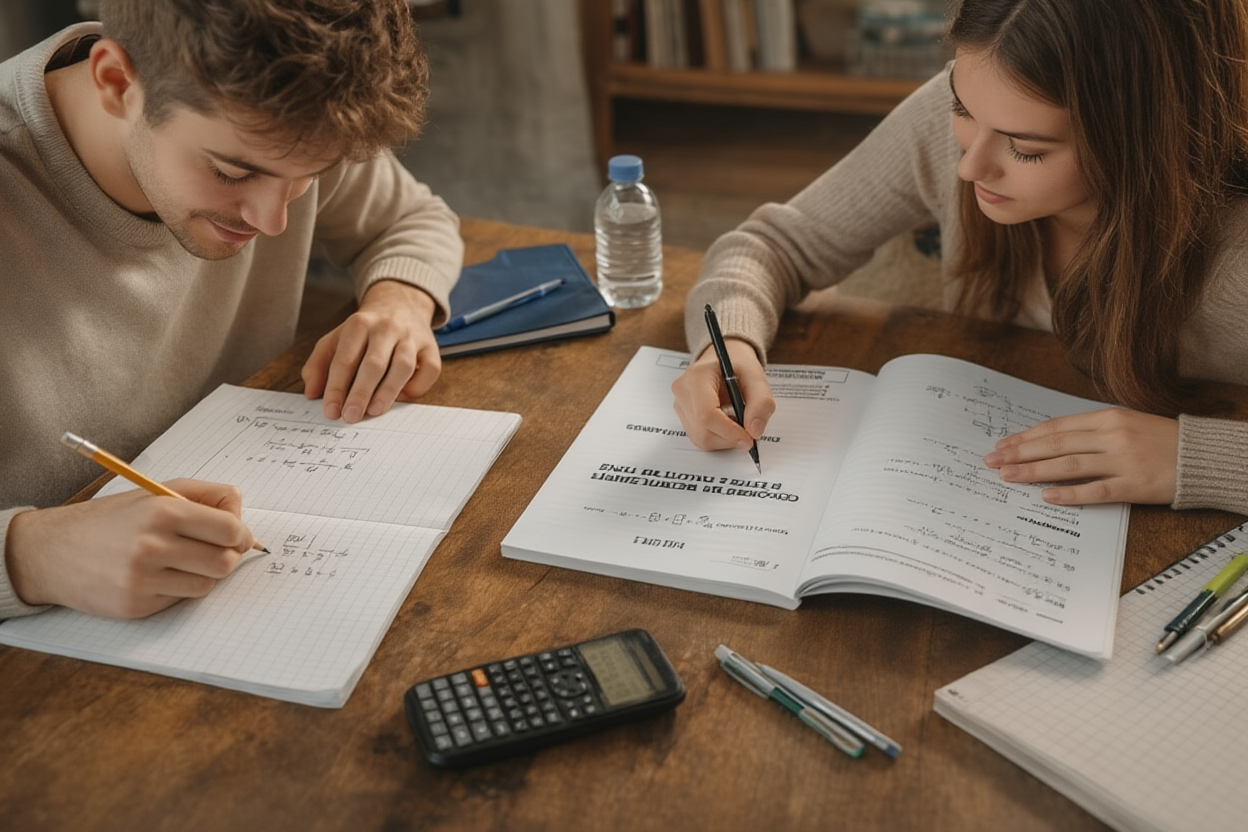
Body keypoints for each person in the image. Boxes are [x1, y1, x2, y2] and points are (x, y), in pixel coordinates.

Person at [672, 0, 1248, 517]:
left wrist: (1186, 456)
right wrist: (728, 346)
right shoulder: (974, 107)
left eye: (1026, 148)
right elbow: (775, 245)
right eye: (962, 108)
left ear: (1146, 138)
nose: (969, 168)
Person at [0, 0, 464, 620]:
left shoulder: (286, 126)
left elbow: (414, 219)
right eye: (228, 172)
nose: (273, 220)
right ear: (116, 82)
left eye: (310, 177)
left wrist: (400, 302)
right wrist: (31, 556)